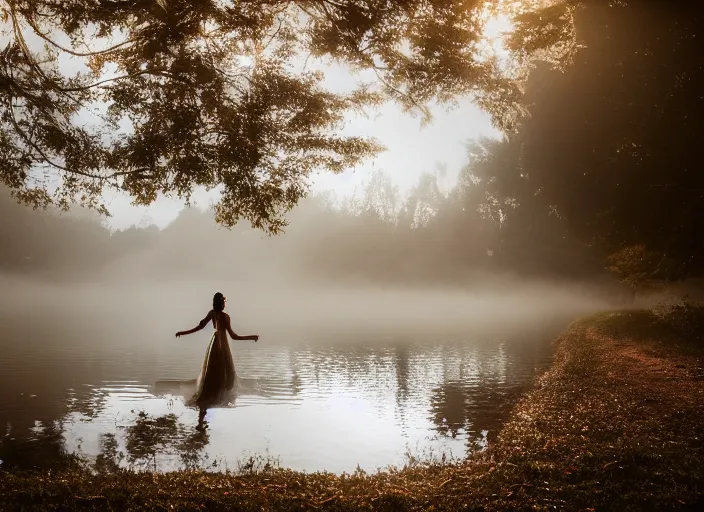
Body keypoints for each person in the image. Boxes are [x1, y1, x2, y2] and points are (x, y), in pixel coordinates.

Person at [175, 292, 259, 425]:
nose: (225, 304)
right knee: (223, 369)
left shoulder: (212, 313)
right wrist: (251, 337)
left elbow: (199, 327)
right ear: (222, 303)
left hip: (215, 343)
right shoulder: (225, 317)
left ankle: (202, 417)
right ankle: (219, 392)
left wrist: (183, 333)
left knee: (213, 369)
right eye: (224, 302)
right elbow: (233, 336)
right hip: (222, 345)